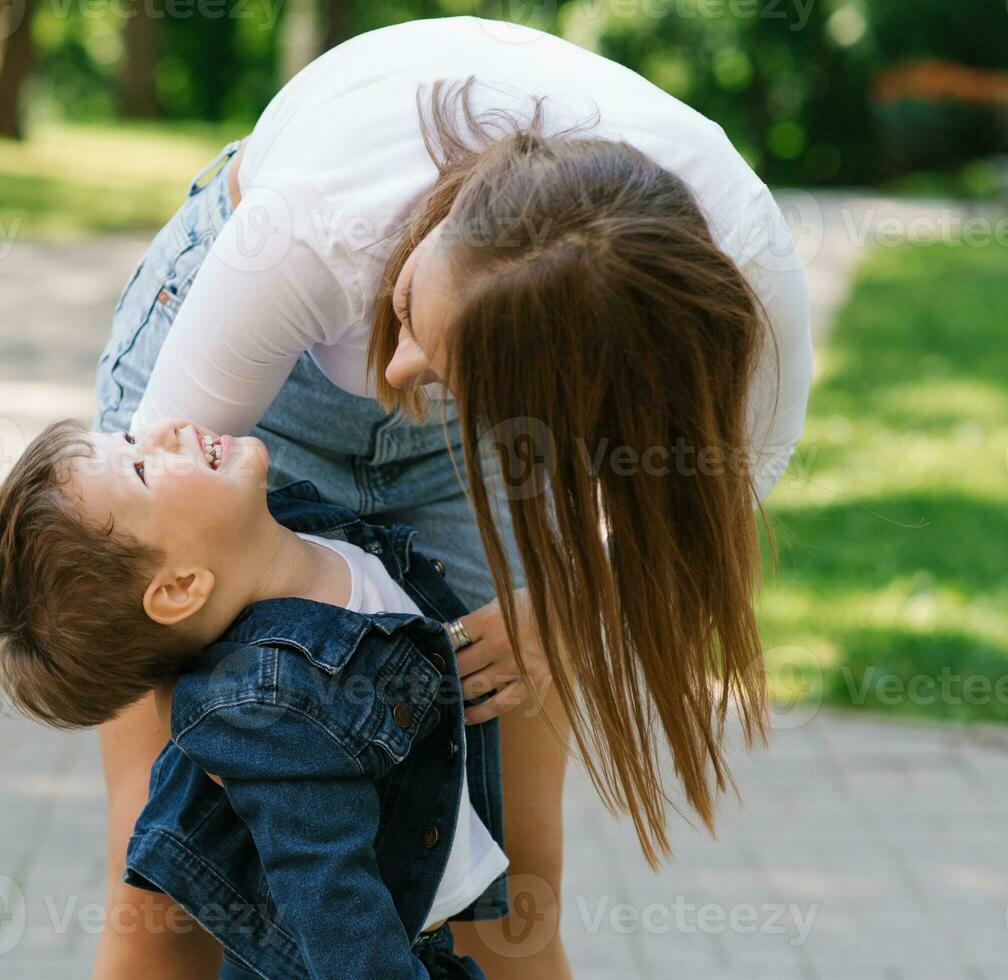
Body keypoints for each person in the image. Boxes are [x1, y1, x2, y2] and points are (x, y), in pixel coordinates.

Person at [95, 17, 813, 978]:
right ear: (439, 221)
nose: (395, 373)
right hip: (248, 411)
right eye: (402, 321)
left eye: (440, 366)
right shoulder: (316, 222)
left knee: (509, 893)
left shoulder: (736, 289)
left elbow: (706, 501)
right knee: (173, 882)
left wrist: (571, 605)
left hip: (490, 424)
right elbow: (157, 521)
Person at [0, 416, 511, 978]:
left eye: (127, 438)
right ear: (179, 588)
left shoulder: (301, 530)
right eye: (142, 469)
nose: (163, 429)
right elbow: (333, 903)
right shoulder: (269, 706)